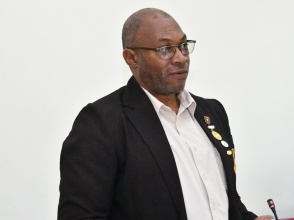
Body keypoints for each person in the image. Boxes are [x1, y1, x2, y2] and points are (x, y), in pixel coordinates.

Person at [58, 8, 273, 220]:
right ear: (132, 58)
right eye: (165, 49)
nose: (180, 58)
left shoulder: (212, 112)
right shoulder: (101, 123)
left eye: (183, 46)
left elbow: (223, 199)